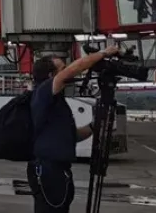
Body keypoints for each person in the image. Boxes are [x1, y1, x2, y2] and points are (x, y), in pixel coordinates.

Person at [29, 45, 119, 213]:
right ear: (51, 76)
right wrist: (103, 53)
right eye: (62, 69)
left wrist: (94, 125)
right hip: (49, 171)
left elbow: (71, 136)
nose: (68, 72)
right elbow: (75, 69)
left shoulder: (54, 102)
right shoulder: (44, 91)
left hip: (59, 170)